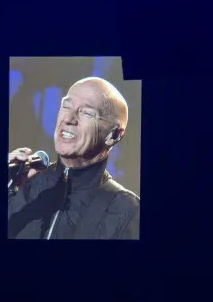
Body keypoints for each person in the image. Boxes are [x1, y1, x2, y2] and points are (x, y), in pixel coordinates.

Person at [8, 77, 140, 239]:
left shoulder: (126, 211)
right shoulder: (21, 185)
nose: (68, 119)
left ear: (113, 135)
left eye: (87, 113)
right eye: (66, 106)